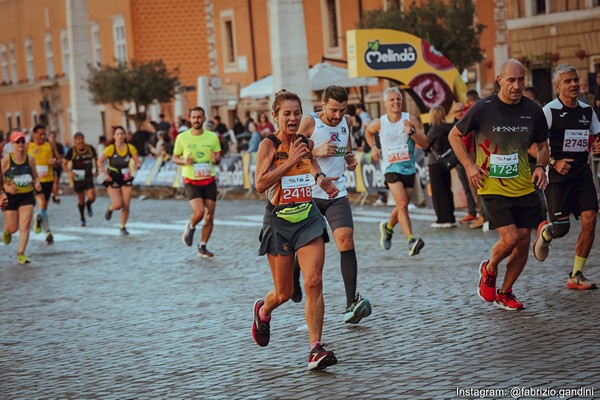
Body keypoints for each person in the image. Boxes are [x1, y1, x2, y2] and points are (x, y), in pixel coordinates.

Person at [448, 59, 549, 311]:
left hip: (524, 185)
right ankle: (489, 268)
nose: (516, 85)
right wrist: (470, 166)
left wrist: (540, 166)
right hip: (492, 185)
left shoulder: (533, 110)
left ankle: (506, 292)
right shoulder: (483, 108)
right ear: (500, 81)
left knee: (524, 240)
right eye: (511, 80)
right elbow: (454, 135)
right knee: (511, 237)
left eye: (521, 80)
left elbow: (543, 146)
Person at [251, 89, 340, 371]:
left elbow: (310, 161)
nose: (292, 118)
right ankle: (263, 311)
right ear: (275, 116)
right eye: (286, 113)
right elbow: (260, 184)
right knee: (284, 293)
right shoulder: (268, 145)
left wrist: (321, 180)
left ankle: (315, 348)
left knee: (313, 280)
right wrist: (288, 161)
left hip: (308, 218)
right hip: (278, 221)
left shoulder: (304, 141)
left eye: (297, 113)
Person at [291, 85, 372, 324]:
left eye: (342, 110)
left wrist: (350, 160)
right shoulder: (309, 122)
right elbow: (293, 155)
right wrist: (316, 149)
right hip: (311, 193)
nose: (337, 115)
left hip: (337, 193)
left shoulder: (346, 121)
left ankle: (351, 302)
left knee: (346, 238)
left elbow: (346, 152)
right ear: (323, 104)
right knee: (309, 248)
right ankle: (293, 278)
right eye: (333, 110)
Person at [533, 64, 600, 290]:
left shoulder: (587, 111)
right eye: (567, 81)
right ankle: (546, 232)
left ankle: (576, 274)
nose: (573, 84)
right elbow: (532, 147)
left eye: (575, 80)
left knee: (590, 219)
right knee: (562, 228)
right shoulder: (548, 112)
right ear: (557, 86)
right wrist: (553, 162)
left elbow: (597, 136)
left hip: (581, 173)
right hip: (557, 176)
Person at [365, 87, 429, 256]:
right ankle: (411, 240)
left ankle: (388, 227)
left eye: (398, 99)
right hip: (390, 168)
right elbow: (368, 132)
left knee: (403, 205)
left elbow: (425, 143)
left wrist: (412, 133)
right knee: (401, 204)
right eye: (392, 100)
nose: (396, 102)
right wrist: (373, 148)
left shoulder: (411, 120)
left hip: (409, 168)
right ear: (385, 103)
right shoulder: (380, 122)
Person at [175, 106, 222, 258]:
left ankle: (202, 246)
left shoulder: (212, 137)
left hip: (209, 180)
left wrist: (216, 159)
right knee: (200, 212)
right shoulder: (182, 137)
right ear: (190, 119)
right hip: (191, 180)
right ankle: (190, 225)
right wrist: (184, 160)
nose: (196, 120)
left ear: (203, 118)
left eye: (199, 117)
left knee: (210, 216)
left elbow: (218, 159)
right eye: (194, 117)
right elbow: (174, 158)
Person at [2, 131, 42, 264]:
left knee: (25, 224)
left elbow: (35, 176)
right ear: (12, 144)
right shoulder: (7, 160)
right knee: (13, 228)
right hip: (10, 197)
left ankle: (21, 254)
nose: (20, 144)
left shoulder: (30, 159)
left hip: (26, 195)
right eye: (17, 142)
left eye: (22, 141)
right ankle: (7, 231)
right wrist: (6, 188)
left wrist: (36, 184)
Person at [97, 125, 141, 235]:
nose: (120, 136)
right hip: (113, 176)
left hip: (126, 176)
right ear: (114, 136)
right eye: (118, 134)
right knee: (118, 204)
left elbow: (137, 161)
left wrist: (136, 167)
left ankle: (123, 226)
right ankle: (111, 209)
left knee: (126, 204)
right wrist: (105, 174)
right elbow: (99, 162)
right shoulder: (110, 148)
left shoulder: (130, 148)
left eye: (122, 133)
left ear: (125, 135)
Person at [28, 124, 61, 244]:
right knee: (41, 203)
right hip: (36, 181)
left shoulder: (50, 145)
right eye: (40, 134)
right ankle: (47, 231)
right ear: (34, 134)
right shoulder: (29, 146)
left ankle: (42, 225)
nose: (43, 136)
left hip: (48, 180)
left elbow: (59, 160)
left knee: (44, 208)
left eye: (44, 134)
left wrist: (55, 161)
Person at [426, 106, 456, 228]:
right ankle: (451, 217)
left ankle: (443, 219)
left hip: (435, 162)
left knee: (438, 192)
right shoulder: (449, 127)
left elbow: (426, 143)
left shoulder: (434, 129)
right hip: (447, 162)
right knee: (447, 190)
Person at [523, 86, 548, 220]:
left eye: (528, 99)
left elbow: (537, 145)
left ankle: (541, 220)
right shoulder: (526, 114)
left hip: (535, 162)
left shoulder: (536, 115)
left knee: (537, 190)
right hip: (527, 161)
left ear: (536, 100)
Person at [63, 132, 98, 226]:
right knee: (81, 199)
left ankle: (89, 204)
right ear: (75, 141)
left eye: (82, 138)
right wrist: (70, 172)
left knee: (92, 197)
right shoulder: (72, 150)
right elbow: (64, 164)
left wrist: (97, 170)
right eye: (78, 139)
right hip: (78, 177)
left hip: (88, 176)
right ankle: (82, 218)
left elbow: (96, 159)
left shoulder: (90, 148)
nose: (80, 141)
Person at [47, 131, 64, 204]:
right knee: (54, 180)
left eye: (54, 137)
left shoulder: (59, 145)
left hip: (57, 165)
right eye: (51, 137)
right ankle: (55, 195)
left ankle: (54, 194)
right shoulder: (46, 145)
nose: (52, 138)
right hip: (49, 166)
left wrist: (58, 160)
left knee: (56, 181)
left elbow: (61, 156)